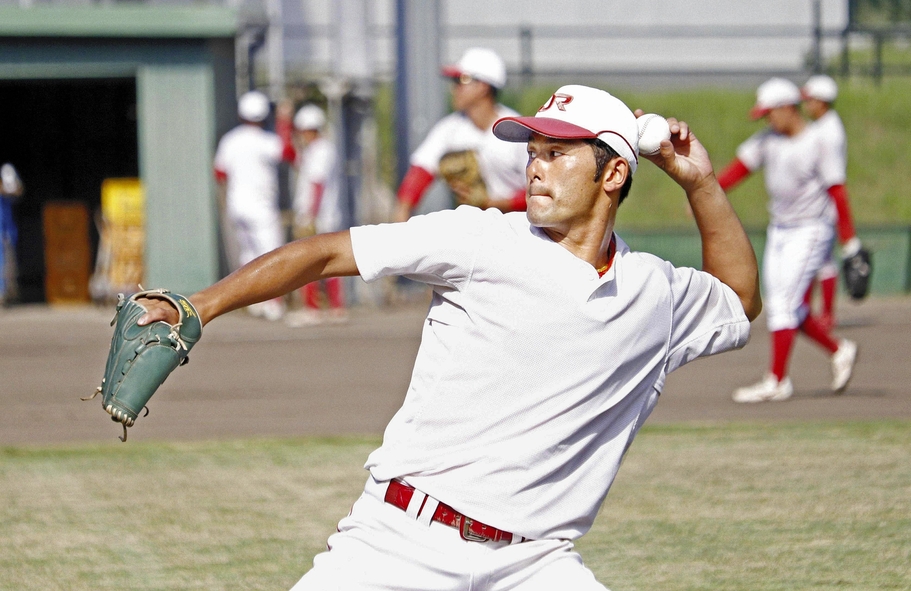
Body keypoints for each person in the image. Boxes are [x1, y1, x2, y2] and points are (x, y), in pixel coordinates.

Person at [137, 85, 761, 590]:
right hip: (400, 541)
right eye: (533, 152)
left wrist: (700, 183)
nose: (535, 168)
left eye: (558, 153)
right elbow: (328, 253)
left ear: (614, 173)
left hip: (535, 563)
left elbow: (738, 298)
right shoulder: (480, 238)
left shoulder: (654, 293)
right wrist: (200, 306)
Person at [717, 77, 860, 403]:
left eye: (770, 113)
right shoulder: (769, 139)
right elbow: (740, 168)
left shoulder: (818, 141)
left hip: (812, 229)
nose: (768, 119)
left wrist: (849, 241)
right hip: (779, 229)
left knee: (784, 305)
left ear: (787, 108)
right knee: (783, 306)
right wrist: (706, 191)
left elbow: (837, 190)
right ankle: (839, 349)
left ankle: (777, 381)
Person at [392, 47, 529, 222]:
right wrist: (401, 217)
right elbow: (420, 172)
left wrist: (496, 204)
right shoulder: (450, 129)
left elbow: (542, 191)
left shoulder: (516, 130)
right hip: (473, 227)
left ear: (482, 86)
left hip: (520, 226)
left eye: (460, 80)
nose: (453, 89)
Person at [214, 90, 296, 321]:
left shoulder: (229, 139)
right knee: (273, 255)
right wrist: (285, 123)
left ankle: (251, 302)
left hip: (236, 205)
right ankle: (272, 302)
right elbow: (288, 153)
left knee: (248, 254)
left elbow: (220, 172)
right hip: (261, 206)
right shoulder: (267, 140)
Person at [800, 74, 859, 331]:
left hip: (822, 206)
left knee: (818, 261)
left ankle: (822, 314)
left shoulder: (829, 132)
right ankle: (820, 313)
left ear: (821, 102)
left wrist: (849, 235)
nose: (806, 104)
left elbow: (836, 182)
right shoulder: (822, 127)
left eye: (810, 99)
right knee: (822, 261)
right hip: (819, 203)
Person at [286, 104, 348, 327]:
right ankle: (335, 307)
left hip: (319, 215)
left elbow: (317, 184)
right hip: (323, 214)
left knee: (307, 263)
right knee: (329, 263)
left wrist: (310, 215)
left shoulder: (322, 150)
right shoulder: (317, 150)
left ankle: (313, 308)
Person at [0, 163, 23, 305]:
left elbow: (19, 191)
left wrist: (11, 188)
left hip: (7, 231)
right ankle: (2, 291)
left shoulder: (8, 195)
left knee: (8, 263)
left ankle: (6, 292)